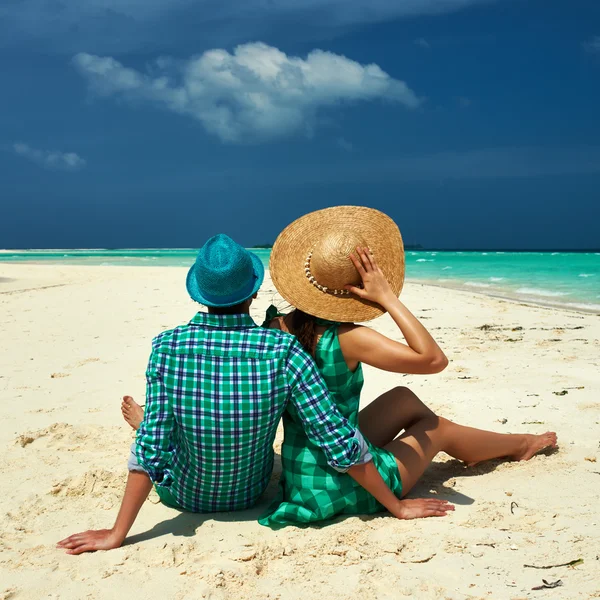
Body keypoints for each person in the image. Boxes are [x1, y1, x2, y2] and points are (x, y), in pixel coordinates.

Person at [58, 233, 450, 555]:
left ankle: (154, 417)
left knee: (157, 428)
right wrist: (395, 505)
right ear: (253, 291)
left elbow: (150, 448)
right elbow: (334, 436)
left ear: (199, 294)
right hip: (249, 491)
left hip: (182, 495)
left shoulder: (167, 347)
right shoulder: (282, 350)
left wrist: (116, 533)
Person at [259, 206, 557, 527]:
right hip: (339, 486)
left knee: (403, 398)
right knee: (438, 427)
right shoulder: (347, 338)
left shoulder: (275, 326)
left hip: (302, 469)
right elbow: (433, 360)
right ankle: (518, 445)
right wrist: (388, 298)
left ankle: (473, 445)